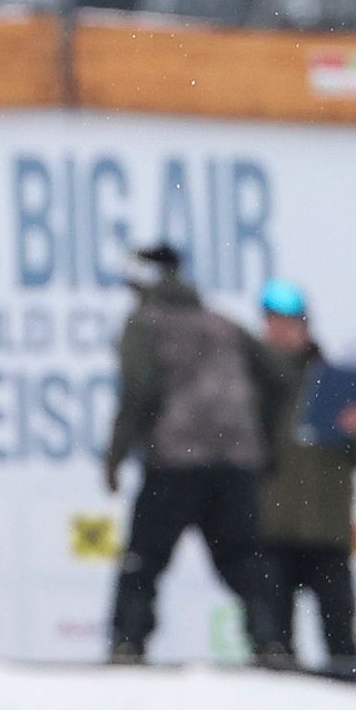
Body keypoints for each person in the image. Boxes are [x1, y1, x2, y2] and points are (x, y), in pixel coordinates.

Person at [103, 241, 276, 666]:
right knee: (244, 559)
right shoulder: (223, 325)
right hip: (236, 461)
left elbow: (138, 391)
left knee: (143, 559)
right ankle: (271, 641)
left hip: (175, 461)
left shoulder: (145, 324)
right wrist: (261, 439)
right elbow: (278, 377)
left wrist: (116, 454)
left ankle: (129, 641)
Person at [250, 280, 356, 675]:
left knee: (340, 629)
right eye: (273, 324)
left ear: (305, 327)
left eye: (288, 324)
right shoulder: (252, 383)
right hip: (272, 527)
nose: (280, 332)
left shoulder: (334, 383)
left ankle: (349, 680)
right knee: (273, 637)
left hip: (327, 529)